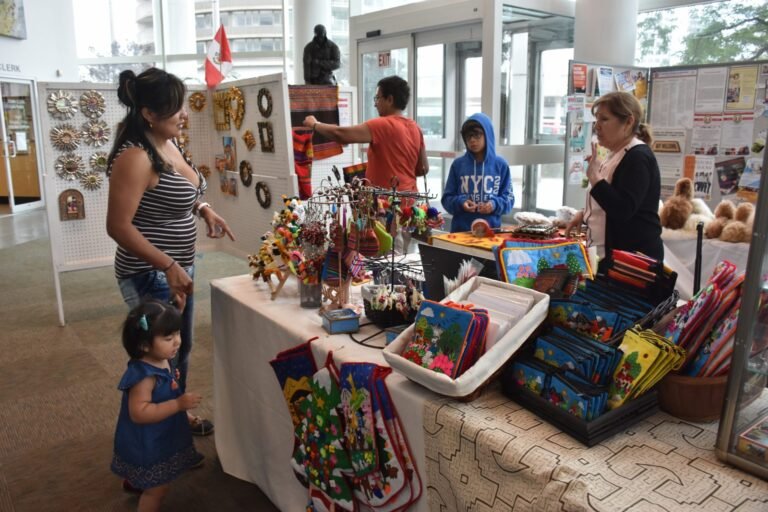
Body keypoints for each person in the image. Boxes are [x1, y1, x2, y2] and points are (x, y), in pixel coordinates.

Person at [106, 67, 235, 437]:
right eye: (177, 108)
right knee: (157, 355)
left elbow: (178, 192)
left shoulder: (167, 143)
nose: (185, 114)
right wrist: (167, 265)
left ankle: (173, 416)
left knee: (180, 347)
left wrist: (204, 208)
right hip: (149, 273)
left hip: (177, 269)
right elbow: (118, 227)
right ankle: (154, 433)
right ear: (149, 113)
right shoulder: (136, 157)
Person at [111, 300, 203, 509]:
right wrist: (177, 405)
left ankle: (136, 481)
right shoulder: (144, 377)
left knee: (151, 478)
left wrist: (178, 309)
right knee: (158, 490)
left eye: (178, 334)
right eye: (169, 338)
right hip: (147, 442)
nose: (177, 342)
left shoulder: (159, 356)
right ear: (144, 345)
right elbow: (139, 413)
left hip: (161, 433)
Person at [565, 91, 663, 266]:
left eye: (604, 119)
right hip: (609, 257)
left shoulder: (638, 157)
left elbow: (622, 209)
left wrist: (595, 177)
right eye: (596, 120)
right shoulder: (615, 153)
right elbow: (609, 198)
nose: (597, 126)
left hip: (631, 263)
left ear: (628, 122)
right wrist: (585, 213)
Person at [302, 75, 428, 192]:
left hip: (387, 202)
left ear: (390, 99)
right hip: (411, 199)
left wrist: (315, 124)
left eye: (377, 98)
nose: (375, 104)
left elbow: (341, 135)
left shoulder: (382, 124)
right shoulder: (415, 128)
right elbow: (423, 168)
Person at [441, 113, 514, 232]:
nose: (472, 140)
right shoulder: (458, 165)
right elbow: (446, 199)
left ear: (487, 134)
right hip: (460, 232)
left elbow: (509, 200)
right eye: (468, 136)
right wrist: (461, 202)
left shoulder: (501, 165)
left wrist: (494, 204)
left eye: (477, 135)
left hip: (491, 232)